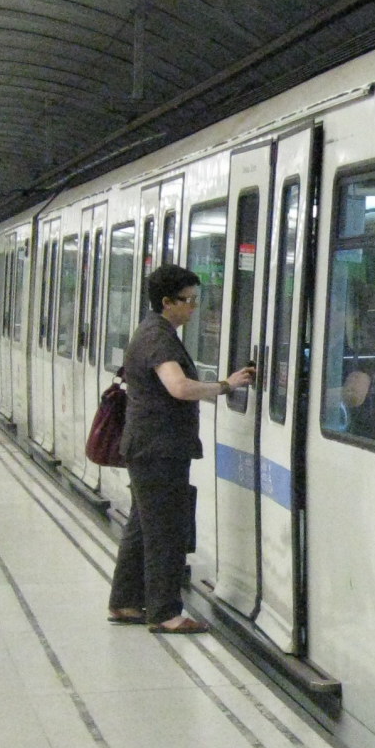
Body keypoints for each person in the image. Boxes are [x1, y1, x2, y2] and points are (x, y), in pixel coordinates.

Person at [106, 263, 254, 633]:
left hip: (148, 446)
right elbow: (179, 387)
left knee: (143, 527)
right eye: (188, 301)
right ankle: (166, 613)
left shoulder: (153, 331)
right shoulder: (158, 337)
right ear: (167, 301)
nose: (193, 308)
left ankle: (125, 602)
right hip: (160, 449)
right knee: (166, 532)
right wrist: (225, 385)